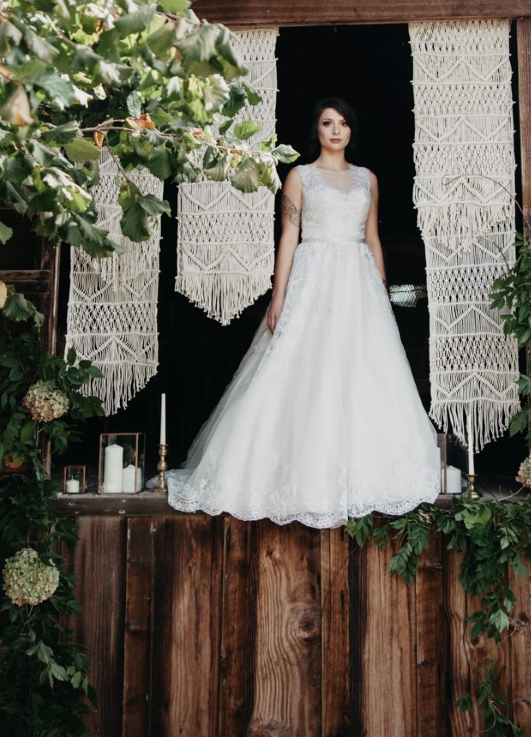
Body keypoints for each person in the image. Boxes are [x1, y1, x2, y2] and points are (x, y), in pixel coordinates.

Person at [164, 97, 440, 526]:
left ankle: (364, 471)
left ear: (351, 131)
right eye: (327, 122)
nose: (336, 130)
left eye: (343, 123)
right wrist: (279, 296)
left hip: (357, 281)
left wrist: (381, 292)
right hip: (312, 276)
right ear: (317, 130)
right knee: (301, 367)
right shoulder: (300, 177)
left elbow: (372, 237)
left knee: (362, 371)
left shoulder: (368, 178)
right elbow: (289, 236)